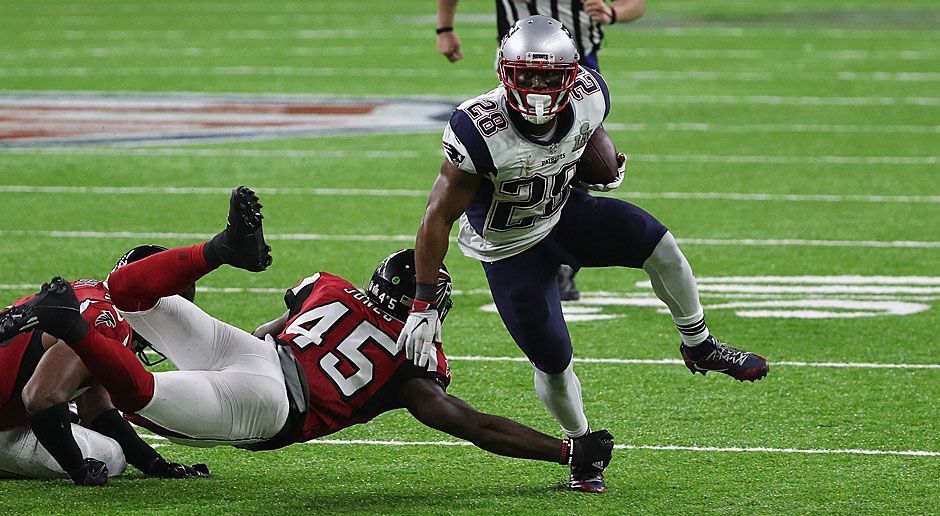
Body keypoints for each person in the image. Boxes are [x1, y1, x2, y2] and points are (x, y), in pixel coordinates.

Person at [0, 186, 615, 492]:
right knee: (139, 389)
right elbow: (470, 424)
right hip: (270, 407)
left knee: (127, 293)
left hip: (258, 353)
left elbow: (277, 329)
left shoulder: (330, 288)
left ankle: (214, 253)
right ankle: (71, 321)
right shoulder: (413, 358)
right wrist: (564, 451)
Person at [399, 15, 770, 493]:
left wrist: (604, 164)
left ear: (570, 76)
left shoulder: (589, 94)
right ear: (503, 73)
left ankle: (699, 345)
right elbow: (436, 218)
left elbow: (589, 134)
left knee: (660, 244)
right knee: (553, 360)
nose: (536, 87)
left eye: (548, 77)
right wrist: (424, 302)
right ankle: (582, 451)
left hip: (564, 213)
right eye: (526, 74)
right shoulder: (478, 129)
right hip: (510, 247)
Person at [437, 0, 646, 299]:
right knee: (515, 157)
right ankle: (519, 245)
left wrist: (614, 13)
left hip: (574, 70)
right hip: (520, 71)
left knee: (571, 160)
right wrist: (445, 27)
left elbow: (636, 4)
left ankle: (562, 261)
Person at [0, 266, 207, 485]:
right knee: (111, 455)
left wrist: (155, 463)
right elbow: (41, 398)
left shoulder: (92, 295)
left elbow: (97, 410)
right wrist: (78, 469)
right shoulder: (107, 323)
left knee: (63, 410)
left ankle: (58, 420)